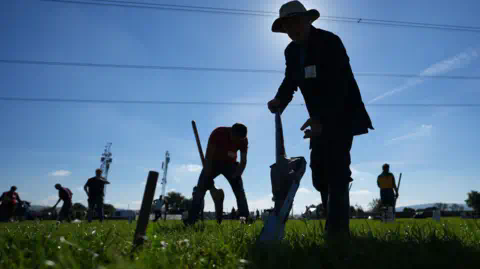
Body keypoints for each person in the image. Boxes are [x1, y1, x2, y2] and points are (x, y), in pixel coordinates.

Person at [268, 1, 373, 240]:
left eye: (296, 22)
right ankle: (333, 226)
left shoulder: (329, 42)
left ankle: (337, 235)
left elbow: (340, 84)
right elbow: (290, 82)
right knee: (319, 175)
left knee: (336, 171)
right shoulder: (291, 52)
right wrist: (279, 101)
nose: (292, 29)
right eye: (287, 25)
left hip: (343, 113)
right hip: (318, 120)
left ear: (308, 21)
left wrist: (321, 119)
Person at [185, 123, 251, 226]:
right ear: (231, 132)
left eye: (240, 140)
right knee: (200, 189)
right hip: (213, 163)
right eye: (236, 139)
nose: (237, 142)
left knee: (240, 191)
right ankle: (191, 220)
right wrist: (207, 174)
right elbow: (209, 157)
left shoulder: (243, 140)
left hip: (230, 164)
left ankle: (245, 220)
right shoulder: (218, 133)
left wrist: (237, 175)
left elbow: (243, 162)